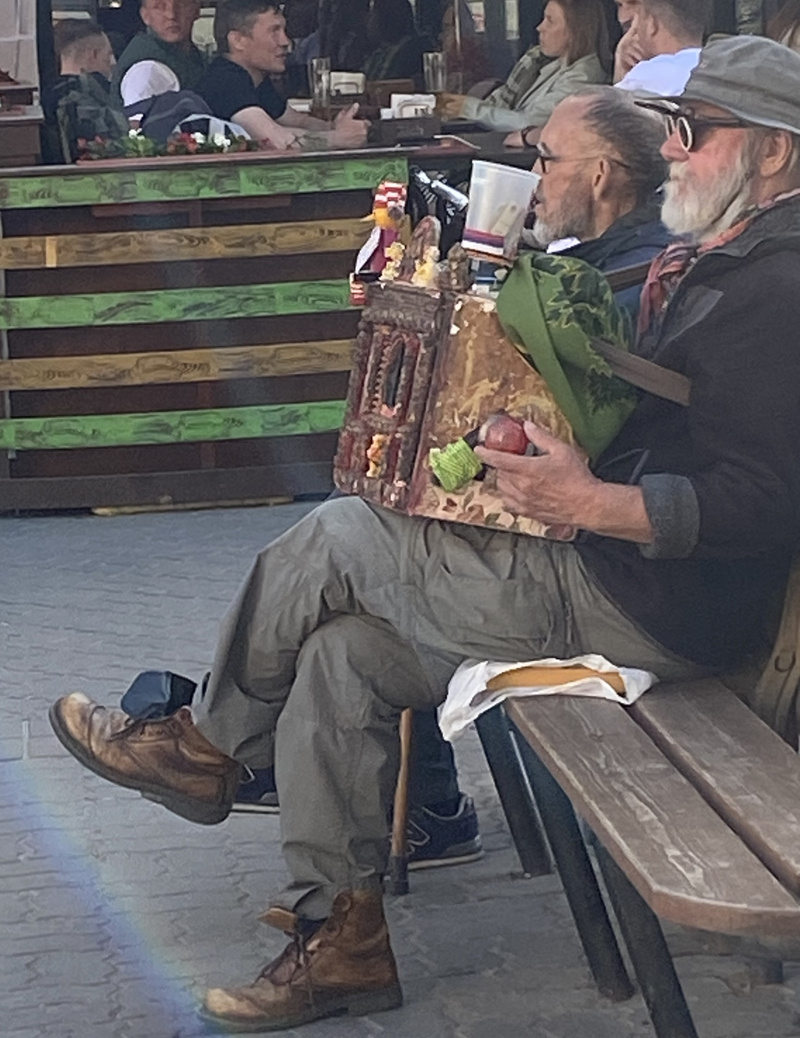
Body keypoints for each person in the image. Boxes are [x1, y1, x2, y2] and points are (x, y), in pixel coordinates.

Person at [49, 34, 800, 1034]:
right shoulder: (728, 258)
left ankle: (204, 747)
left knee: (339, 536)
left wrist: (586, 501)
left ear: (773, 150)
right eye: (671, 128)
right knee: (339, 657)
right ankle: (341, 939)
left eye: (693, 132)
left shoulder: (778, 286)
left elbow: (765, 500)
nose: (673, 150)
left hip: (652, 607)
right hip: (613, 570)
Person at [527, 85, 670, 318]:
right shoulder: (617, 255)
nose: (535, 173)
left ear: (599, 176)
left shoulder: (620, 291)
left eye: (546, 157)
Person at [196, 0, 368, 151]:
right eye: (274, 31)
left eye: (283, 31)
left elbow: (296, 120)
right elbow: (273, 141)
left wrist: (333, 127)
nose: (285, 41)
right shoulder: (226, 81)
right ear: (238, 41)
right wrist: (337, 138)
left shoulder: (254, 78)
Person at [437, 0, 611, 134]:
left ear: (576, 30)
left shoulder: (583, 77)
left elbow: (530, 123)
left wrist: (469, 109)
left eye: (550, 21)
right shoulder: (547, 66)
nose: (540, 27)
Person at [42, 19, 128, 163]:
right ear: (93, 54)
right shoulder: (95, 98)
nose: (112, 62)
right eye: (108, 54)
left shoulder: (46, 97)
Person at [111, 0, 206, 108]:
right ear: (145, 15)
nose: (171, 15)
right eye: (159, 6)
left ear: (196, 10)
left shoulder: (194, 57)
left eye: (181, 4)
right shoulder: (145, 71)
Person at [613, 0, 710, 95]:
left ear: (651, 24)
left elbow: (615, 103)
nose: (622, 19)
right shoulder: (714, 70)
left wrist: (620, 70)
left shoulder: (643, 79)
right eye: (619, 5)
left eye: (634, 3)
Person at [362, 0, 428, 87]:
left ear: (386, 17)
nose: (367, 20)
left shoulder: (411, 51)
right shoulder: (379, 52)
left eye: (372, 14)